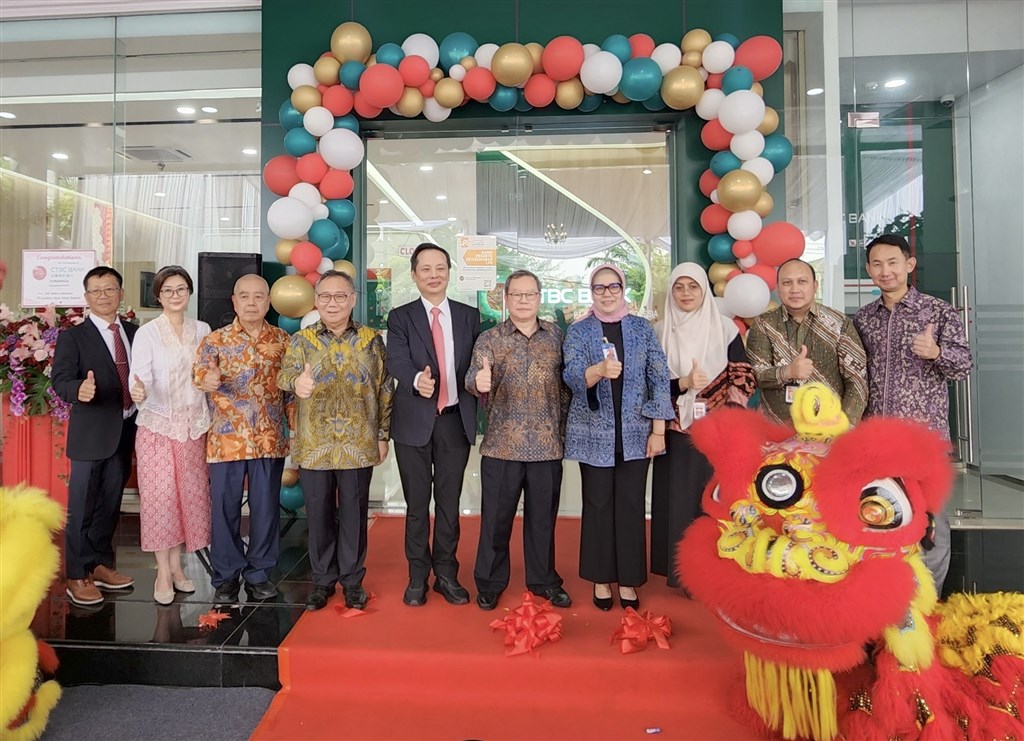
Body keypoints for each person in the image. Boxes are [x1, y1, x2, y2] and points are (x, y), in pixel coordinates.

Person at [854, 234, 973, 593]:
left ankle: (927, 605)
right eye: (877, 264)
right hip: (877, 443)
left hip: (924, 442)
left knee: (932, 523)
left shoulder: (937, 312)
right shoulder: (864, 319)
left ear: (909, 264)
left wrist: (936, 352)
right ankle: (888, 604)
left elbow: (963, 366)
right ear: (869, 270)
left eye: (892, 262)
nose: (885, 271)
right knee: (880, 517)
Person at [277, 270, 394, 612]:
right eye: (325, 296)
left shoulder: (372, 340)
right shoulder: (301, 341)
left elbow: (385, 388)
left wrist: (382, 435)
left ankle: (353, 580)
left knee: (355, 514)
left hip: (358, 441)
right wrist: (297, 383)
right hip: (315, 443)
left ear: (353, 299)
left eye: (340, 296)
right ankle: (323, 581)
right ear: (316, 300)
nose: (332, 303)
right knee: (319, 514)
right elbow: (284, 375)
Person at [563, 264, 675, 611]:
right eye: (599, 288)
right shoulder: (579, 331)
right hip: (593, 433)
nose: (607, 293)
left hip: (637, 433)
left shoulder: (642, 329)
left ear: (623, 289)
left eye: (613, 287)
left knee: (629, 505)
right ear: (591, 292)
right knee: (597, 504)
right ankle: (600, 578)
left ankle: (628, 580)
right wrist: (597, 371)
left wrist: (659, 430)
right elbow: (570, 375)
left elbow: (659, 376)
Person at [465, 270, 571, 611]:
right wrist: (479, 381)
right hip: (501, 446)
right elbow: (472, 377)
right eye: (516, 295)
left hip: (547, 445)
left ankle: (543, 581)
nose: (523, 300)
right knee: (495, 520)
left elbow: (567, 389)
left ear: (539, 298)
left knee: (543, 521)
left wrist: (565, 432)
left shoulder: (556, 336)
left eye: (530, 294)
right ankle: (490, 582)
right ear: (506, 299)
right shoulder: (489, 339)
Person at [651, 263, 756, 588]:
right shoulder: (659, 331)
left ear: (703, 291)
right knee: (678, 500)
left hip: (714, 433)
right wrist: (682, 383)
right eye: (679, 287)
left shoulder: (724, 329)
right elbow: (650, 383)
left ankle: (710, 571)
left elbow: (744, 376)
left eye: (692, 287)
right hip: (675, 431)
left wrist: (722, 412)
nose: (685, 293)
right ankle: (680, 573)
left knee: (710, 499)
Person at [386, 243, 480, 607]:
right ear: (414, 275)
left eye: (440, 267)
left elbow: (477, 361)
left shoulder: (469, 316)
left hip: (454, 422)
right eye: (425, 269)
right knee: (416, 504)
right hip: (414, 423)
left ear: (449, 272)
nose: (433, 275)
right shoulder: (400, 316)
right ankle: (416, 576)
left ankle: (446, 574)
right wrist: (415, 380)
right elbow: (396, 359)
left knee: (448, 503)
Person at [194, 274, 292, 604]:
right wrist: (208, 379)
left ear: (269, 302)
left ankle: (259, 573)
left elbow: (291, 392)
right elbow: (200, 377)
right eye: (245, 296)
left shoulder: (283, 340)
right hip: (226, 440)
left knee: (265, 509)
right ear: (234, 301)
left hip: (269, 438)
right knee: (224, 510)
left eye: (259, 296)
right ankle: (225, 576)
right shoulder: (214, 341)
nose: (252, 302)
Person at [52, 267, 138, 606]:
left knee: (110, 503)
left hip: (125, 428)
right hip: (90, 434)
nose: (104, 295)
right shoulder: (73, 337)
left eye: (110, 289)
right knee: (82, 506)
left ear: (120, 292)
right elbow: (60, 380)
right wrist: (79, 389)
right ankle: (76, 574)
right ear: (86, 298)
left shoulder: (134, 331)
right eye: (96, 291)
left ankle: (100, 563)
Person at [128, 265, 212, 605]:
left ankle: (179, 568)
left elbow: (208, 370)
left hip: (193, 427)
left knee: (187, 498)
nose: (175, 295)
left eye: (181, 289)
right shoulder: (147, 333)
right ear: (158, 296)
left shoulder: (203, 329)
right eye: (168, 291)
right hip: (157, 427)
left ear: (189, 293)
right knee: (160, 499)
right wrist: (139, 391)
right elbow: (140, 376)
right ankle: (163, 571)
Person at [746, 258, 868, 425]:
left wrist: (844, 426)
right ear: (778, 287)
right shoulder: (764, 324)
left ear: (815, 286)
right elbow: (755, 374)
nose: (795, 289)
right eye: (787, 282)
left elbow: (857, 380)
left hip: (828, 428)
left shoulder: (839, 323)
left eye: (802, 281)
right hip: (776, 429)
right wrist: (788, 372)